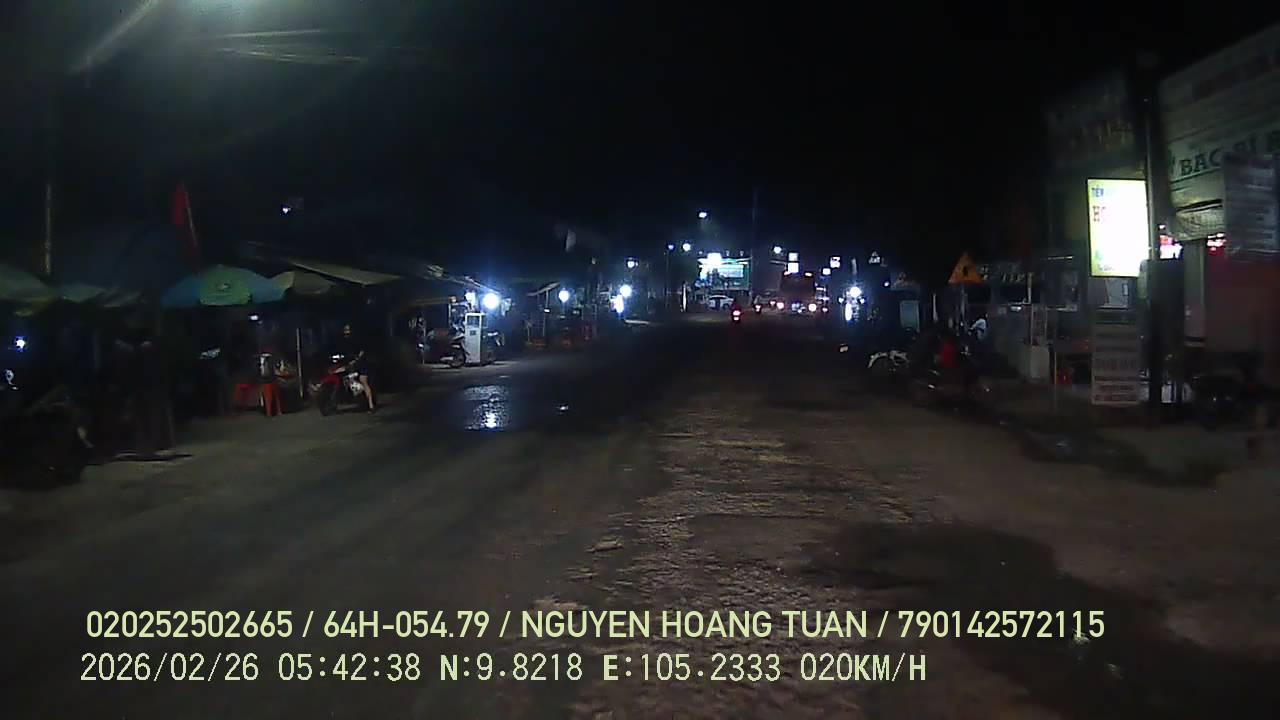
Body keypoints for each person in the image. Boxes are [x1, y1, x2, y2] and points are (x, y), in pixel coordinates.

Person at [337, 323, 376, 412]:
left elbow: (362, 351)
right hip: (351, 364)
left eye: (348, 330)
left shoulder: (358, 340)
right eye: (345, 330)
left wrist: (357, 359)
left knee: (364, 381)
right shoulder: (344, 342)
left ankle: (371, 405)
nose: (346, 332)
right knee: (347, 379)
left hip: (361, 364)